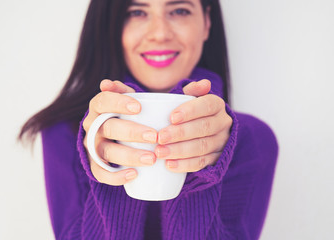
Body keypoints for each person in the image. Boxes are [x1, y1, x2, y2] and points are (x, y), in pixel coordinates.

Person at [19, 0, 278, 239]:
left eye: (179, 10)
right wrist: (111, 167)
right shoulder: (61, 134)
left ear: (207, 23)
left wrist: (199, 170)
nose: (160, 33)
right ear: (112, 25)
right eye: (137, 12)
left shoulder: (253, 140)